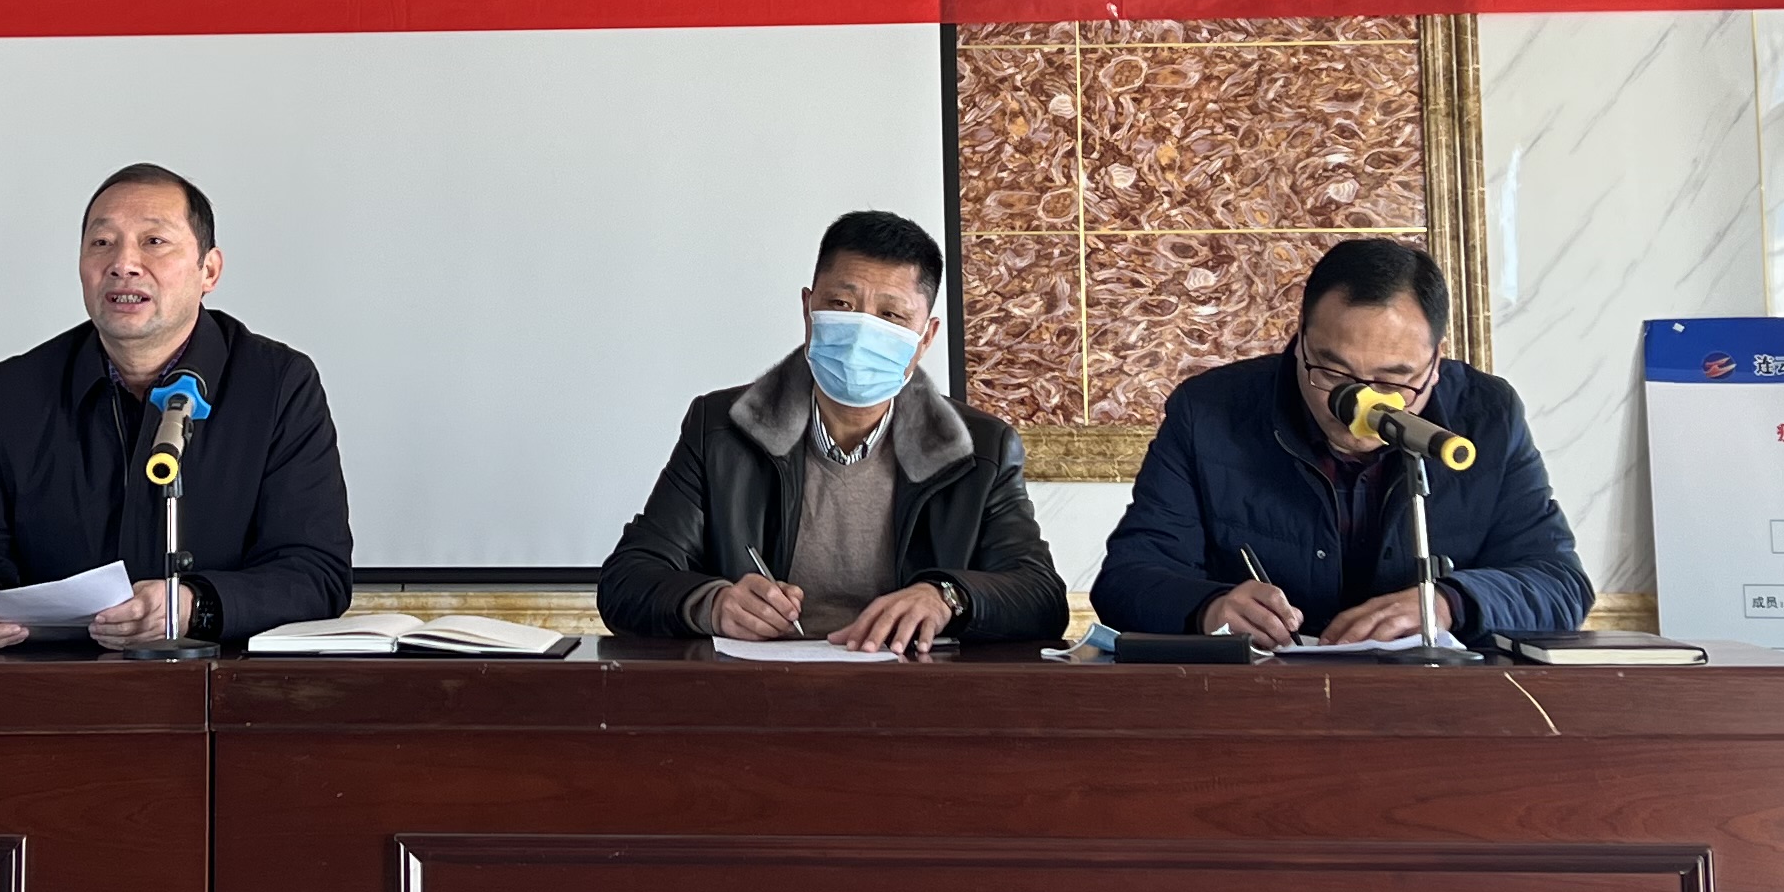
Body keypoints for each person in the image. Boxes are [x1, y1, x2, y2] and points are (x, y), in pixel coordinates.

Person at [0, 164, 352, 651]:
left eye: (154, 241)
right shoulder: (14, 391)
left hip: (220, 679)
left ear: (208, 270)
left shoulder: (277, 384)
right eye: (102, 243)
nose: (123, 264)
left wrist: (193, 606)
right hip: (51, 681)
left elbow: (316, 574)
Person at [598, 209, 1066, 655]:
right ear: (808, 309)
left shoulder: (979, 449)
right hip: (758, 688)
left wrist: (947, 596)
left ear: (925, 337)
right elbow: (628, 579)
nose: (862, 332)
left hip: (912, 690)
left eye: (891, 316)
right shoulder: (721, 428)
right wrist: (713, 604)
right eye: (841, 305)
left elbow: (1041, 597)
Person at [1091, 236, 1590, 644]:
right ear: (1300, 340)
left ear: (1435, 364)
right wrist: (1209, 608)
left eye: (1393, 380)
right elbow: (1127, 579)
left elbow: (1560, 584)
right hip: (1257, 702)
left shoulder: (1487, 415)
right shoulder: (1209, 412)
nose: (1358, 407)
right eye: (1333, 374)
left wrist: (1449, 603)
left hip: (1436, 706)